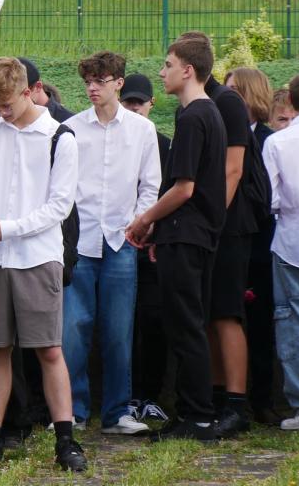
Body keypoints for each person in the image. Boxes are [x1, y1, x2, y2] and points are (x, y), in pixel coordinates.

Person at [0, 57, 85, 472]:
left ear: (28, 92)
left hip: (37, 257)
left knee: (48, 349)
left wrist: (6, 229)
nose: (1, 112)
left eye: (7, 104)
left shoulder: (60, 137)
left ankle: (66, 440)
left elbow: (59, 207)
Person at [124, 33, 227, 441]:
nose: (161, 72)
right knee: (189, 323)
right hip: (192, 235)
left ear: (188, 70)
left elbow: (184, 188)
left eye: (167, 65)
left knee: (185, 325)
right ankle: (191, 413)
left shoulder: (192, 117)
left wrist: (144, 220)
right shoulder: (208, 113)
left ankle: (197, 416)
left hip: (186, 236)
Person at [62, 52, 160, 434]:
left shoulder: (142, 130)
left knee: (119, 330)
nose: (92, 88)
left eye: (100, 81)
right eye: (88, 81)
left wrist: (140, 220)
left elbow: (150, 184)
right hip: (80, 241)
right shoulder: (71, 128)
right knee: (73, 328)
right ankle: (73, 411)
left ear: (119, 83)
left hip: (122, 238)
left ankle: (118, 412)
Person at [202, 42, 262, 437]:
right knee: (212, 313)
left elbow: (233, 170)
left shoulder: (226, 102)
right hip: (215, 225)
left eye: (169, 64)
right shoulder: (206, 103)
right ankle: (218, 398)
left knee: (226, 313)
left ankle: (237, 405)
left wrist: (212, 220)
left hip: (230, 226)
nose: (163, 72)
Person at [260, 72, 299, 429]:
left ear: (291, 102)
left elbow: (271, 198)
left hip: (291, 239)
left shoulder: (277, 141)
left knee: (295, 322)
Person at [227, 66, 281, 423]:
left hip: (261, 242)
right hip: (230, 241)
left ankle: (262, 400)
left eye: (235, 91)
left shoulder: (267, 139)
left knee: (261, 323)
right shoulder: (222, 134)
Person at [119, 73, 171, 423]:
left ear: (151, 104)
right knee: (123, 323)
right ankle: (126, 396)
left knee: (153, 320)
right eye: (129, 101)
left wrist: (155, 232)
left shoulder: (165, 144)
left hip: (151, 247)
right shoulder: (114, 142)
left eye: (140, 102)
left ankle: (150, 394)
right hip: (121, 242)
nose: (134, 107)